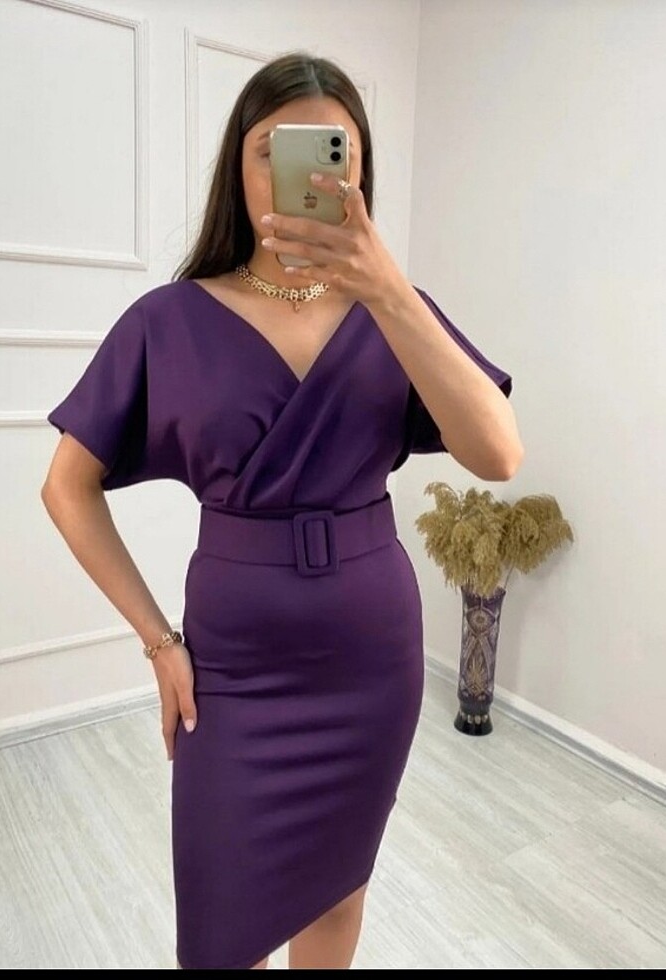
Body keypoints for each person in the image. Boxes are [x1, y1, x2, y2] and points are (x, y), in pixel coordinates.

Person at [41, 52, 522, 971]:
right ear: (240, 166)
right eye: (273, 148)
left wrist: (386, 287)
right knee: (220, 926)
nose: (305, 172)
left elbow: (499, 453)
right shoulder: (169, 319)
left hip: (370, 660)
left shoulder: (399, 312)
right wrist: (158, 640)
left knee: (337, 895)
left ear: (359, 173)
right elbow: (66, 486)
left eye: (335, 151)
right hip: (235, 665)